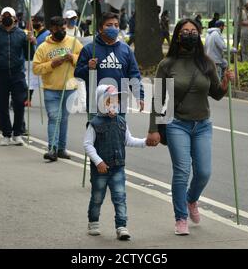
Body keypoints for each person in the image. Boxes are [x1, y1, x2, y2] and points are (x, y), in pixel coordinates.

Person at [146, 19, 234, 235]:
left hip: (203, 125)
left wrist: (225, 82)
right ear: (177, 35)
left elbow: (216, 94)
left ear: (199, 34)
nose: (189, 34)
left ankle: (191, 200)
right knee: (182, 171)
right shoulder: (167, 65)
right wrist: (153, 128)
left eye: (193, 31)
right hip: (177, 125)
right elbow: (158, 99)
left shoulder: (207, 63)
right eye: (185, 31)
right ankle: (180, 218)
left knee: (204, 172)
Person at [84, 84, 150, 240]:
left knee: (120, 197)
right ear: (100, 102)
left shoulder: (121, 121)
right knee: (97, 197)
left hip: (118, 168)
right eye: (109, 101)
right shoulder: (94, 124)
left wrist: (146, 142)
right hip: (100, 169)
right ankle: (93, 222)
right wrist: (98, 161)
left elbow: (129, 140)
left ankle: (121, 226)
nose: (114, 104)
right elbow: (87, 144)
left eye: (116, 101)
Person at [0, 7, 36, 146]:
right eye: (3, 15)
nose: (6, 18)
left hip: (18, 73)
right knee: (2, 104)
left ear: (14, 18)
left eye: (8, 16)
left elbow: (30, 55)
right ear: (0, 18)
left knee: (19, 103)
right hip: (0, 73)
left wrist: (31, 42)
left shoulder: (22, 34)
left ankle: (17, 133)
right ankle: (6, 134)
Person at [75, 12, 144, 116]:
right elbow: (78, 74)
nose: (113, 28)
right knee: (96, 132)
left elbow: (134, 75)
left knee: (118, 132)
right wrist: (88, 68)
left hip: (119, 105)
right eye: (109, 25)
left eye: (116, 25)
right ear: (100, 29)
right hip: (96, 106)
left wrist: (139, 95)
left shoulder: (126, 50)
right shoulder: (89, 49)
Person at [33, 16, 83, 161]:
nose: (61, 32)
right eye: (57, 29)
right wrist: (52, 64)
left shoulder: (73, 42)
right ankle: (52, 149)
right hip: (51, 89)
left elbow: (84, 59)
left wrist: (72, 57)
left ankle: (62, 148)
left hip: (69, 88)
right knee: (55, 118)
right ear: (51, 29)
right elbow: (36, 68)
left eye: (63, 29)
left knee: (64, 119)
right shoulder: (43, 47)